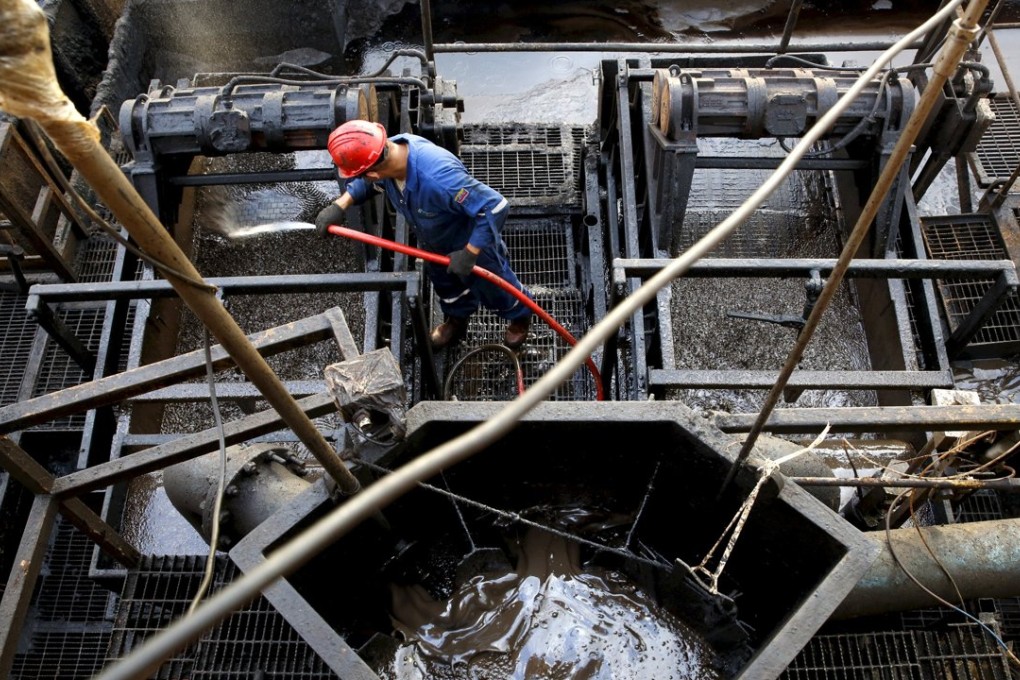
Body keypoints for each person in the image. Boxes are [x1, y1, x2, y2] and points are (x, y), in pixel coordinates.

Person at [315, 120, 533, 350]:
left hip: (473, 247)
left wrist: (470, 253)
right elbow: (367, 184)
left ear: (373, 172)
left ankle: (519, 318)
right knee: (448, 289)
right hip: (434, 246)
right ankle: (456, 320)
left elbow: (496, 206)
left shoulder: (439, 179)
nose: (362, 179)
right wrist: (341, 205)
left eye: (363, 175)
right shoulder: (389, 154)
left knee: (497, 289)